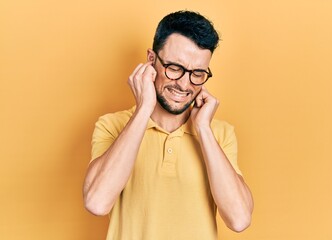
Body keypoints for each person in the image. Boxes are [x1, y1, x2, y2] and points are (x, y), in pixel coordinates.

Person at [83, 10, 253, 240]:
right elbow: (97, 202)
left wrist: (203, 129)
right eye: (174, 68)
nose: (184, 84)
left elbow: (240, 219)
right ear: (151, 60)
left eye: (198, 73)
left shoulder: (219, 134)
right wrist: (143, 109)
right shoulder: (112, 125)